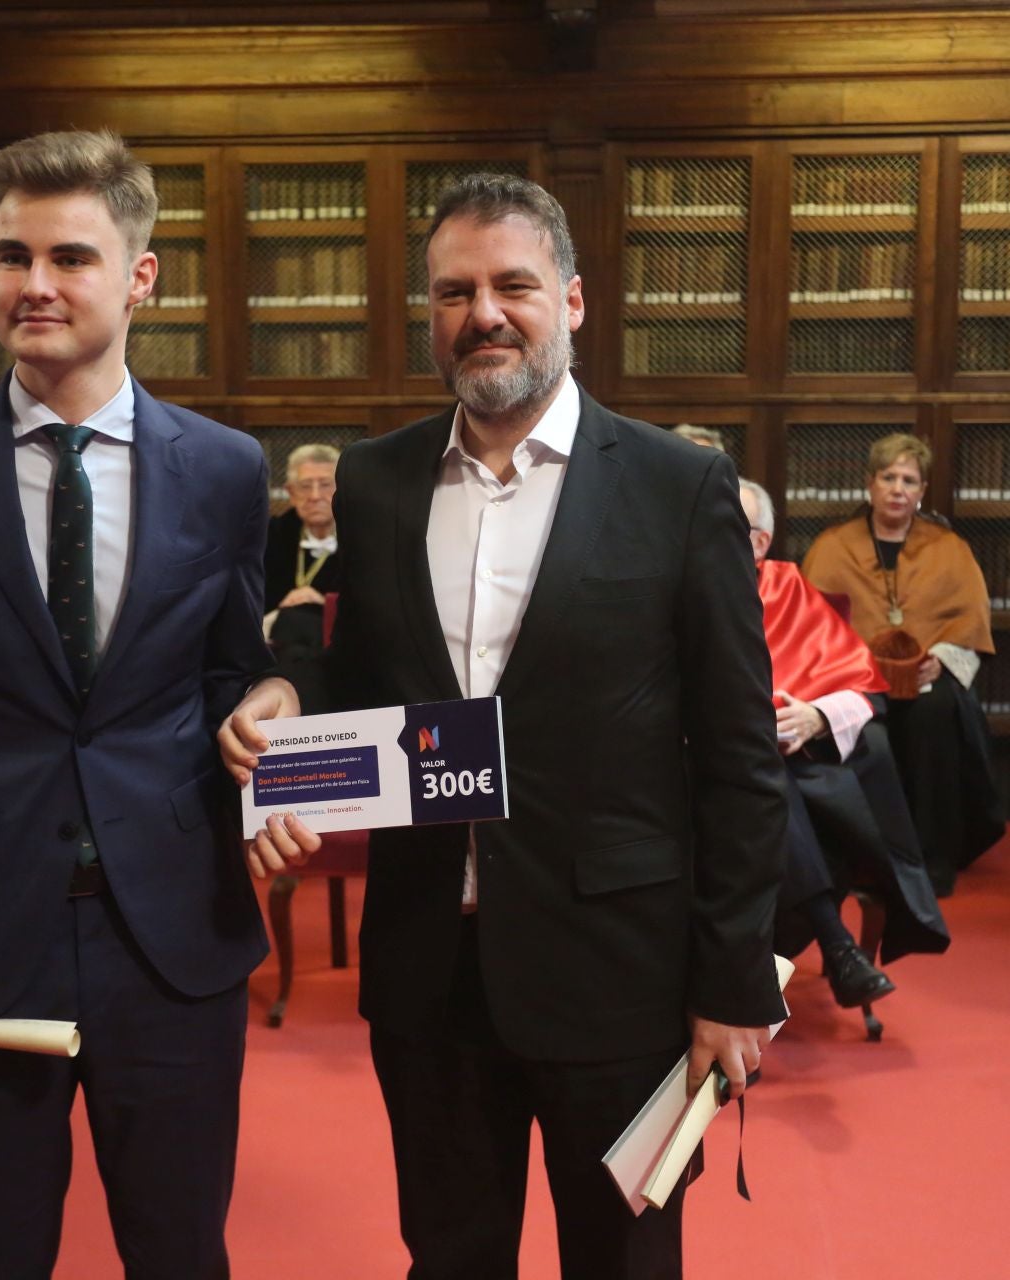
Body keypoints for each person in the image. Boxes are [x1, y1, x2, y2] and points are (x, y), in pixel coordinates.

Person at [221, 173, 790, 1280]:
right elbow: (357, 681)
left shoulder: (680, 485)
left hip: (616, 970)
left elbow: (738, 754)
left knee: (622, 1264)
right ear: (429, 314)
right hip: (429, 964)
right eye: (454, 290)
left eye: (512, 284)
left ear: (572, 300)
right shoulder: (378, 482)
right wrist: (287, 704)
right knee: (448, 1256)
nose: (482, 312)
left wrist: (733, 983)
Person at [0, 130, 281, 1280]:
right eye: (10, 255)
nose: (34, 284)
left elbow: (234, 674)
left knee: (183, 1252)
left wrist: (272, 712)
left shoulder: (227, 468)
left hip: (176, 938)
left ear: (140, 276)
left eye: (70, 256)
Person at [741, 479, 948, 1007]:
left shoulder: (785, 588)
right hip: (710, 769)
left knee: (785, 782)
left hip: (800, 767)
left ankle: (824, 950)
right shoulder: (677, 589)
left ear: (760, 543)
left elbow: (860, 690)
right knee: (764, 779)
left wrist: (815, 716)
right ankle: (837, 946)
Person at [801, 433, 1005, 896]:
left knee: (936, 715)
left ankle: (931, 862)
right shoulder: (831, 547)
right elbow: (811, 626)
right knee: (866, 732)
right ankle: (868, 859)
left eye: (908, 480)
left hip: (926, 681)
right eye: (888, 477)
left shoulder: (949, 547)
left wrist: (943, 659)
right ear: (869, 485)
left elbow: (969, 621)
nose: (897, 488)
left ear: (922, 491)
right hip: (854, 685)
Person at [263, 440, 342, 664]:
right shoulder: (271, 535)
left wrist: (326, 603)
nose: (315, 496)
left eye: (325, 484)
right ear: (291, 492)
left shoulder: (363, 536)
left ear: (342, 488)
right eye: (305, 486)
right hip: (276, 647)